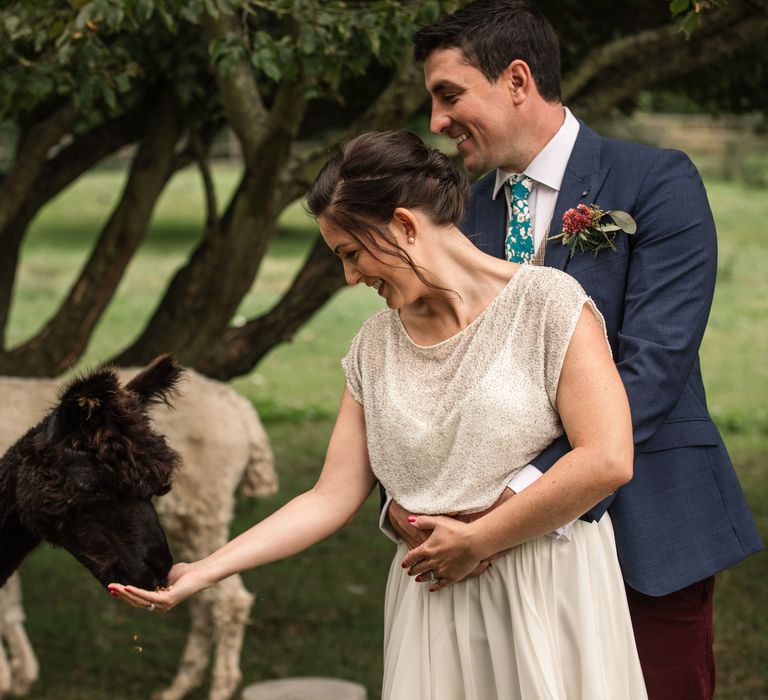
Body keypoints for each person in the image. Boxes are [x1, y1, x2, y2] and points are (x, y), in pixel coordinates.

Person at [109, 129, 649, 698]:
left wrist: (481, 539)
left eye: (350, 253)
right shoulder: (374, 345)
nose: (349, 277)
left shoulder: (547, 302)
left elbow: (607, 458)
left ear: (405, 225)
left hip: (543, 588)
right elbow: (328, 497)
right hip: (432, 608)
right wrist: (206, 569)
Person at [384, 2, 764, 699]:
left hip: (646, 530)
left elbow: (652, 368)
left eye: (449, 95)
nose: (436, 122)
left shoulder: (656, 182)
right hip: (501, 565)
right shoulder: (462, 212)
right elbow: (432, 364)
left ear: (518, 81)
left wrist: (515, 500)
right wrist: (414, 495)